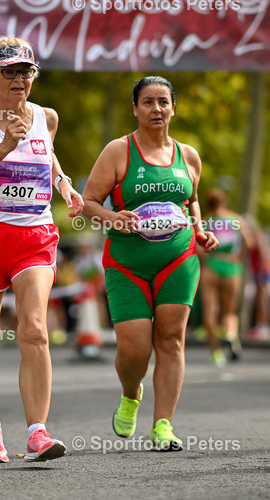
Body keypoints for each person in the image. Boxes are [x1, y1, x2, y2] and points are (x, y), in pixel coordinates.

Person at [0, 37, 83, 463]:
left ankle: (38, 433)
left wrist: (63, 183)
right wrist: (4, 146)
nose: (18, 79)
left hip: (34, 235)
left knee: (35, 328)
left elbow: (50, 153)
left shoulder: (47, 117)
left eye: (25, 71)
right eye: (8, 71)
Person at [81, 75, 219, 453]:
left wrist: (200, 230)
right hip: (127, 264)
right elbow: (87, 202)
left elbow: (190, 201)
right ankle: (130, 394)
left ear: (173, 107)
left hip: (179, 258)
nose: (156, 109)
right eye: (147, 102)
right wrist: (113, 218)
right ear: (135, 108)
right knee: (134, 350)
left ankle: (163, 426)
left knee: (171, 340)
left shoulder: (188, 156)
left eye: (163, 101)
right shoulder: (118, 151)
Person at [200, 188, 255, 366]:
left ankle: (216, 353)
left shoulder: (206, 220)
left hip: (212, 265)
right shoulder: (235, 218)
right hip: (231, 266)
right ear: (223, 202)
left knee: (210, 311)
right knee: (229, 312)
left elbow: (199, 248)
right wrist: (237, 257)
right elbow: (249, 242)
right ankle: (230, 335)